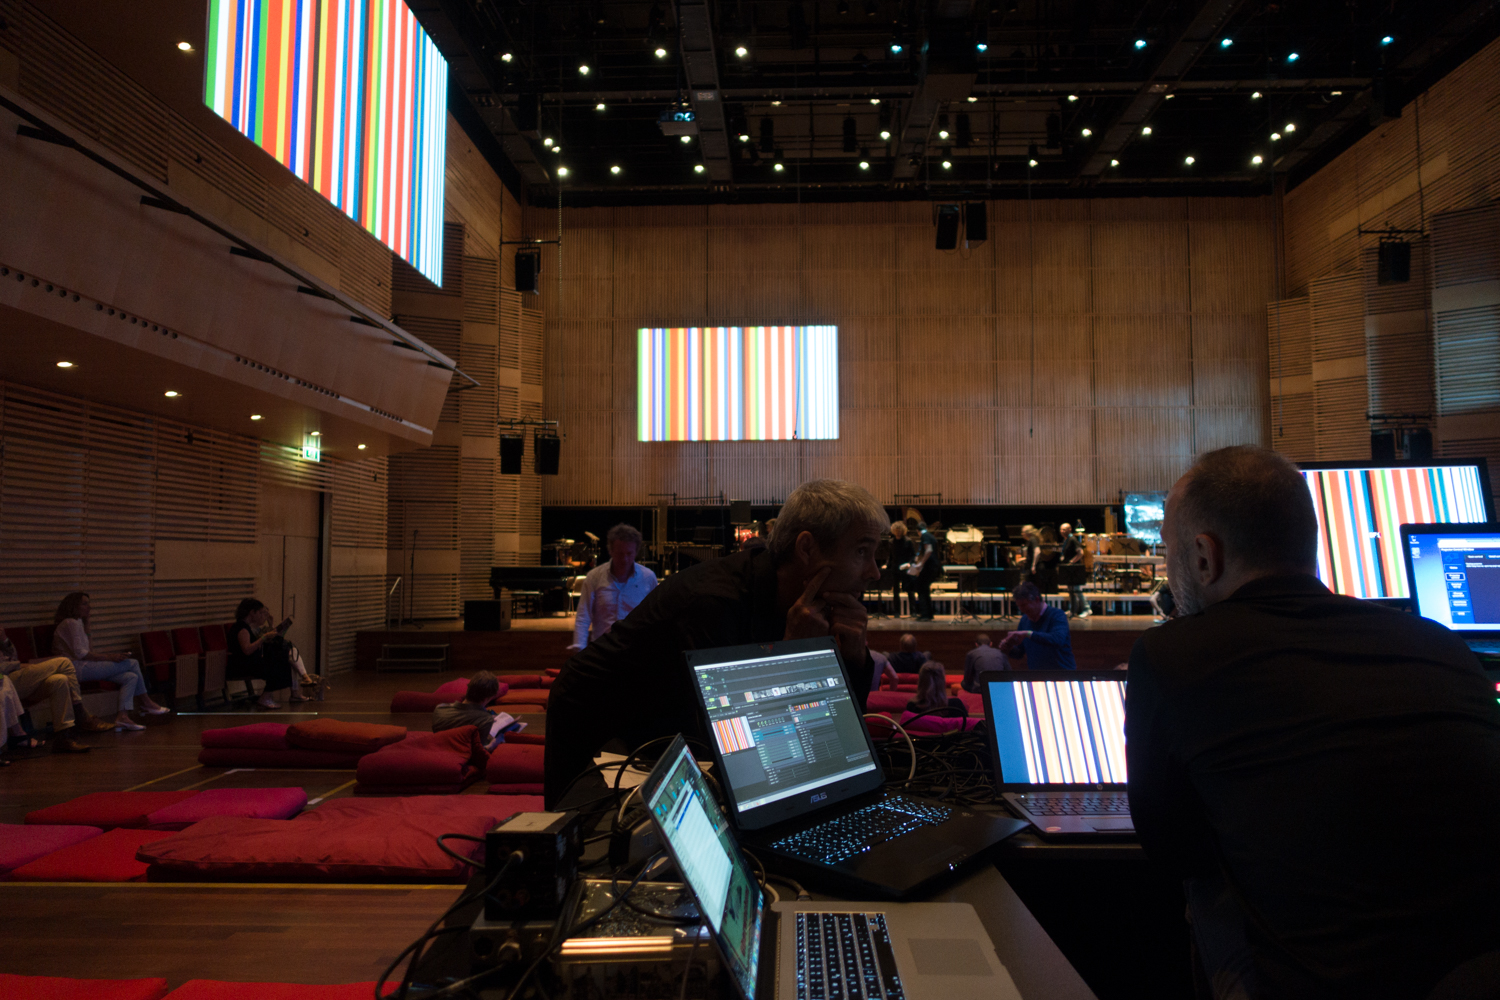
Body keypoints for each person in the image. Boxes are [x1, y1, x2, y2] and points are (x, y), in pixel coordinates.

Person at [1126, 445, 1500, 997]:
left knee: (1205, 886)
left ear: (1204, 556)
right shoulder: (1440, 645)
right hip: (1473, 976)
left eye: (1169, 552)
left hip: (1319, 984)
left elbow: (1173, 850)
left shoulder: (1172, 657)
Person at [545, 478, 885, 806]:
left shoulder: (806, 608)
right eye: (861, 551)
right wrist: (791, 654)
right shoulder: (711, 602)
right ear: (807, 549)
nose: (874, 572)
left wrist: (853, 658)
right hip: (598, 725)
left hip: (666, 730)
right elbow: (746, 744)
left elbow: (837, 735)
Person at [52, 592, 169, 729]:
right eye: (84, 603)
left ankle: (123, 717)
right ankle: (146, 701)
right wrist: (110, 657)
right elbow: (81, 654)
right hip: (75, 668)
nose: (89, 607)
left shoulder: (77, 622)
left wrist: (87, 625)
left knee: (130, 677)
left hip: (84, 665)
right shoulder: (69, 623)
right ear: (73, 606)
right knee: (133, 663)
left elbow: (89, 649)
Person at [0, 628, 110, 752]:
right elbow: (6, 666)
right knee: (64, 662)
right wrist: (22, 665)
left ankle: (64, 736)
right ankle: (81, 714)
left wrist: (4, 639)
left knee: (59, 680)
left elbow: (12, 657)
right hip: (5, 681)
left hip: (17, 678)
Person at [570, 524, 658, 651]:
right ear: (610, 551)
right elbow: (583, 616)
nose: (625, 559)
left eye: (629, 553)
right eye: (620, 554)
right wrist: (579, 649)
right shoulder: (594, 577)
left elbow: (654, 617)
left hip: (635, 650)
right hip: (603, 650)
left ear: (636, 551)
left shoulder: (648, 578)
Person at [228, 599, 300, 710]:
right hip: (242, 665)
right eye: (260, 613)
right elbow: (247, 650)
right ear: (252, 612)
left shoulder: (247, 627)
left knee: (281, 659)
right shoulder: (242, 629)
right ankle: (265, 697)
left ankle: (267, 696)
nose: (262, 615)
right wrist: (263, 638)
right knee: (277, 664)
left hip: (250, 662)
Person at [998, 581, 1076, 670]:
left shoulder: (1057, 615)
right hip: (1037, 677)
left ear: (1037, 600)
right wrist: (1008, 648)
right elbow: (1020, 653)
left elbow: (1057, 639)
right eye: (1019, 606)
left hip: (1061, 676)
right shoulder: (1025, 619)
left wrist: (1028, 634)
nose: (1021, 610)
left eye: (1024, 605)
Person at [908, 522, 941, 621]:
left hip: (929, 567)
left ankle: (925, 615)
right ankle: (929, 614)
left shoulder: (924, 536)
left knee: (921, 588)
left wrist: (921, 563)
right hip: (934, 566)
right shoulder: (930, 536)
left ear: (918, 531)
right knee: (925, 590)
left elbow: (929, 550)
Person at [885, 521, 916, 617]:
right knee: (896, 591)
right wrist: (887, 565)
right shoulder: (891, 542)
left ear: (903, 531)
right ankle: (896, 612)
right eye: (896, 531)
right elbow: (890, 556)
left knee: (910, 590)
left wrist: (909, 564)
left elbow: (913, 556)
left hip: (905, 568)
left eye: (899, 531)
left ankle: (913, 612)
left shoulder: (908, 541)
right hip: (895, 568)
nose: (898, 532)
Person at [1058, 522, 1090, 618]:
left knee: (1076, 590)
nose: (1062, 531)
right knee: (1071, 590)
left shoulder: (1072, 539)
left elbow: (1080, 552)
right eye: (1061, 529)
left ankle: (1087, 609)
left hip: (1074, 569)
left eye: (1064, 529)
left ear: (1070, 530)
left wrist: (1072, 562)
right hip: (1068, 569)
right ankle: (1073, 610)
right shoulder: (1066, 540)